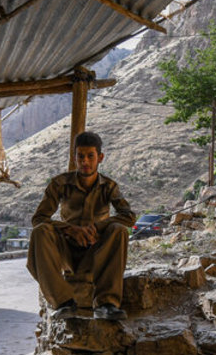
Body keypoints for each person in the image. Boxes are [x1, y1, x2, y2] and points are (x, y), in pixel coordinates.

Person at [27, 131, 136, 320]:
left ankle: (106, 304)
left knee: (118, 230)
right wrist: (69, 229)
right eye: (80, 156)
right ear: (74, 157)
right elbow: (39, 218)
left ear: (100, 158)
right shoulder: (59, 184)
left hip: (96, 252)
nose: (85, 161)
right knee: (40, 232)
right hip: (66, 252)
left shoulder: (109, 186)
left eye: (90, 156)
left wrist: (97, 228)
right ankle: (63, 303)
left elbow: (128, 216)